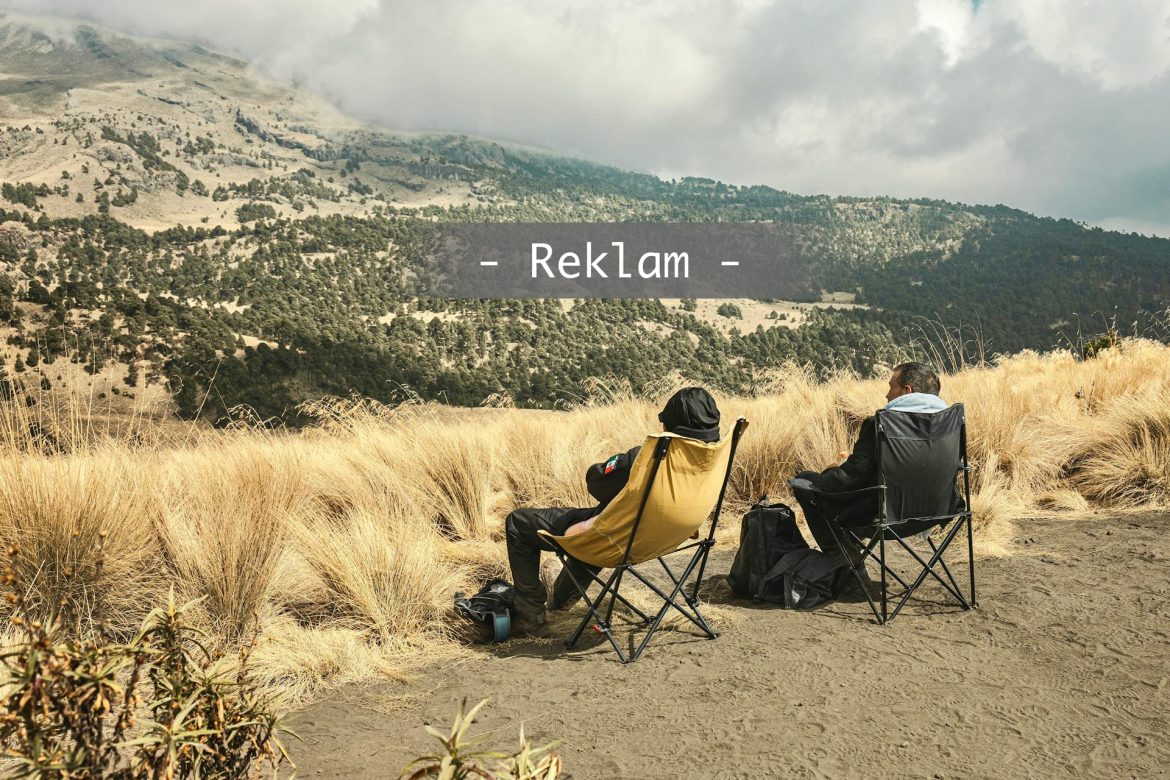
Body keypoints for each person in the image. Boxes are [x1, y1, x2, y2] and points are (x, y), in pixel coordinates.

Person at [504, 387, 722, 637]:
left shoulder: (650, 458)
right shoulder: (715, 458)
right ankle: (560, 602)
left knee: (517, 522)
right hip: (666, 539)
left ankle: (529, 615)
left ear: (670, 424)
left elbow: (597, 483)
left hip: (619, 540)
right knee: (601, 524)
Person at [790, 362, 949, 596]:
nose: (887, 394)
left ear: (907, 391)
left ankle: (848, 566)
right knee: (853, 494)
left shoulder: (881, 423)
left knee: (804, 483)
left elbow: (847, 481)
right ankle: (851, 561)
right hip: (937, 512)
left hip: (884, 516)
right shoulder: (949, 423)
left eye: (891, 386)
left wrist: (829, 473)